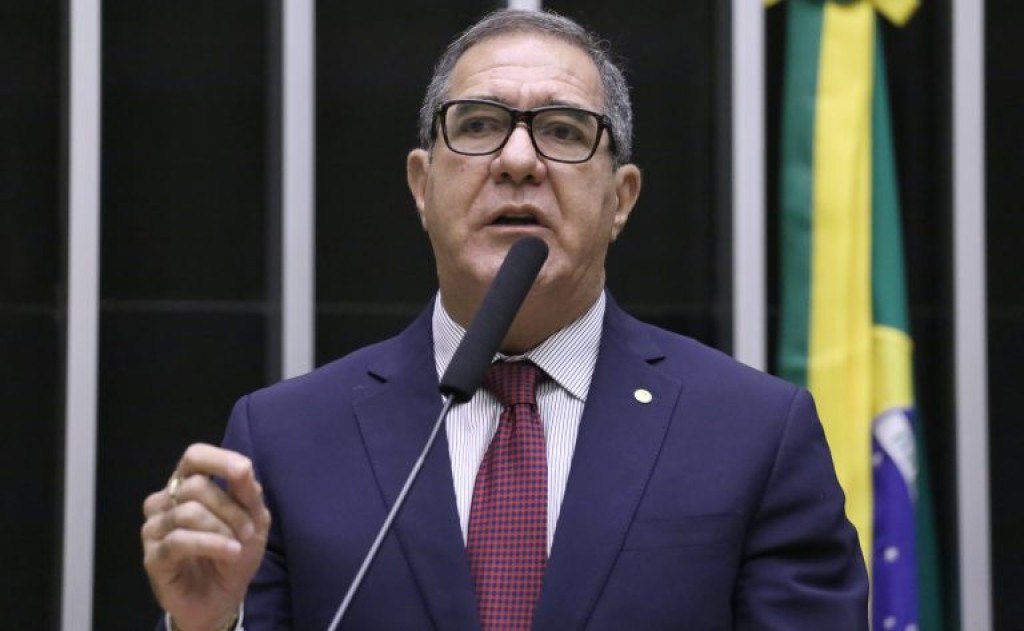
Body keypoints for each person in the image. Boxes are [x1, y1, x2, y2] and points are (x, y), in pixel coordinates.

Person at [141, 9, 868, 631]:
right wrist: (207, 625)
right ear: (422, 185)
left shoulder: (753, 433)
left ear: (620, 199)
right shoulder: (285, 439)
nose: (518, 160)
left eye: (563, 130)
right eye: (480, 124)